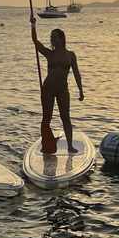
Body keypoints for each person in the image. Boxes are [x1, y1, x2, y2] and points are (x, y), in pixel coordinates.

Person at [29, 19, 84, 152]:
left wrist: (81, 91)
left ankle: (70, 146)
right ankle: (45, 143)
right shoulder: (50, 54)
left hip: (62, 89)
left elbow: (76, 73)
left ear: (61, 39)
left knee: (65, 117)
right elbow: (36, 42)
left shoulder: (71, 55)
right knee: (46, 117)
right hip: (48, 89)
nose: (52, 39)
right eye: (51, 37)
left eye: (54, 37)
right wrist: (33, 26)